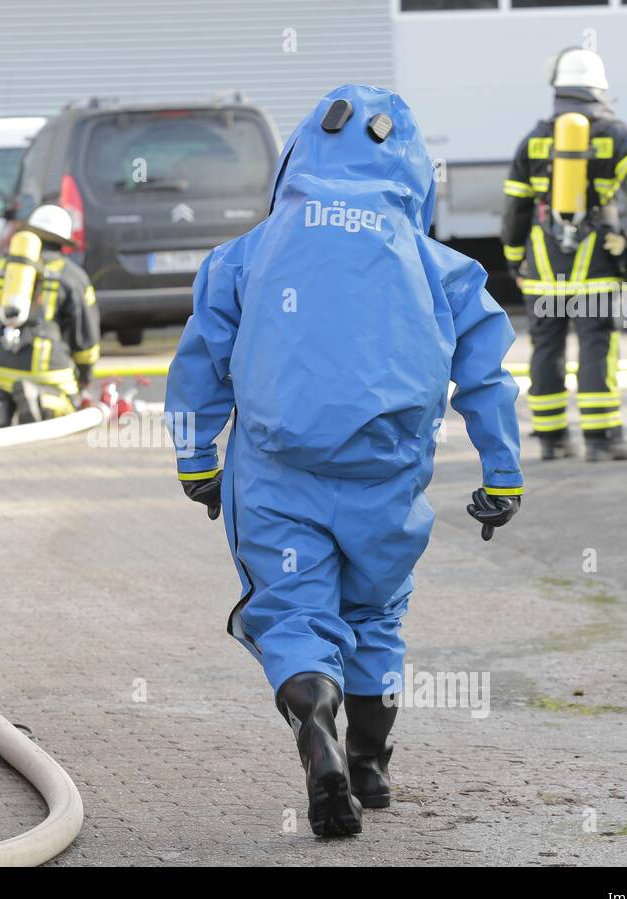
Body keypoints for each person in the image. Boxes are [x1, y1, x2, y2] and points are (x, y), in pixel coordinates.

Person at [165, 85, 524, 837]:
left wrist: (197, 459)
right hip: (387, 479)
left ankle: (313, 730)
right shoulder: (440, 266)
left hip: (278, 475)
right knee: (376, 617)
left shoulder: (248, 255)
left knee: (294, 615)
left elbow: (202, 356)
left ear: (301, 156)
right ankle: (369, 764)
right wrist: (501, 475)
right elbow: (488, 375)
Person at [501, 49, 627, 462]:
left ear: (558, 87)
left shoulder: (535, 138)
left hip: (542, 269)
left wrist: (515, 258)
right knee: (596, 346)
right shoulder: (616, 135)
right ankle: (601, 440)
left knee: (546, 349)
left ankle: (553, 440)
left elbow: (516, 209)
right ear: (599, 87)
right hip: (596, 267)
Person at [0, 204, 101, 428]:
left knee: (5, 378)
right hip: (46, 367)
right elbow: (86, 338)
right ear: (62, 241)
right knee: (69, 401)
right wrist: (85, 377)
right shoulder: (72, 275)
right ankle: (41, 399)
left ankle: (2, 403)